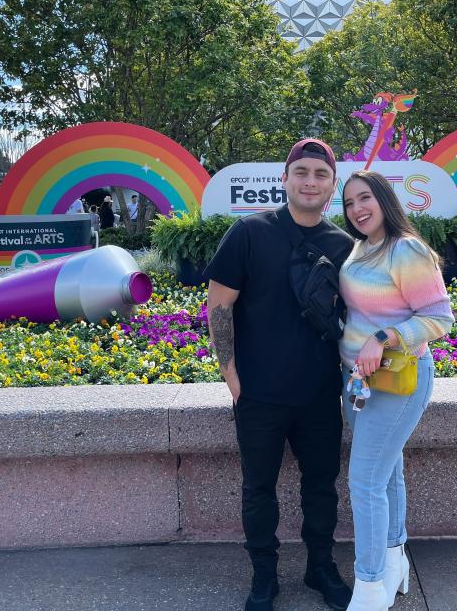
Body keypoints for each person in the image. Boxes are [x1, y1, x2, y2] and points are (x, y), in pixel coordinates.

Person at [205, 139, 355, 611]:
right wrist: (231, 376)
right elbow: (218, 305)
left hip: (319, 393)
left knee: (321, 486)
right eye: (302, 172)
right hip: (260, 393)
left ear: (333, 185)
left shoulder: (344, 245)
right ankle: (263, 577)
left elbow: (358, 317)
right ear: (285, 179)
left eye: (320, 174)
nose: (310, 181)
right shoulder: (249, 232)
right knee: (258, 489)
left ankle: (320, 567)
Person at [338, 170, 453, 610]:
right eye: (349, 203)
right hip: (360, 380)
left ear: (384, 198)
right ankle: (393, 561)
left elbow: (440, 319)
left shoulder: (406, 249)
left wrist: (383, 337)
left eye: (365, 198)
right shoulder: (361, 248)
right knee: (387, 476)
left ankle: (369, 586)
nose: (357, 209)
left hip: (400, 378)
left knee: (365, 481)